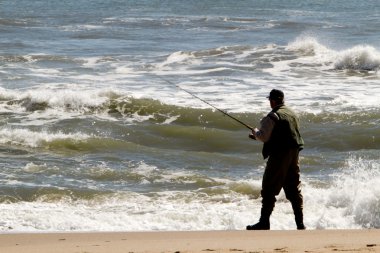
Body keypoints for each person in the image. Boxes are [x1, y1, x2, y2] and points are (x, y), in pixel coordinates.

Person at [246, 89, 305, 230]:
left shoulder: (273, 116)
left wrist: (255, 132)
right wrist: (260, 135)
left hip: (280, 154)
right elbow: (284, 133)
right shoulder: (292, 113)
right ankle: (300, 224)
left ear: (272, 101)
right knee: (293, 188)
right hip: (294, 153)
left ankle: (264, 222)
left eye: (269, 100)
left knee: (269, 187)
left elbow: (264, 136)